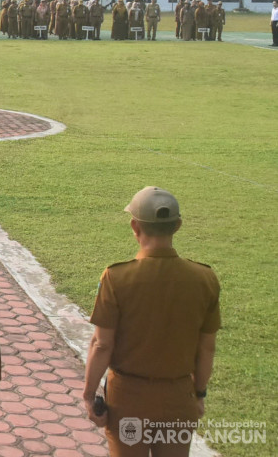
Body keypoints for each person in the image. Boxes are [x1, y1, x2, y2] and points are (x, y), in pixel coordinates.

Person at [83, 187, 220, 457]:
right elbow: (207, 349)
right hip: (179, 397)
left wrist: (89, 395)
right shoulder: (204, 279)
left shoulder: (116, 278)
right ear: (177, 226)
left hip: (128, 399)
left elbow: (101, 344)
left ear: (134, 226)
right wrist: (199, 394)